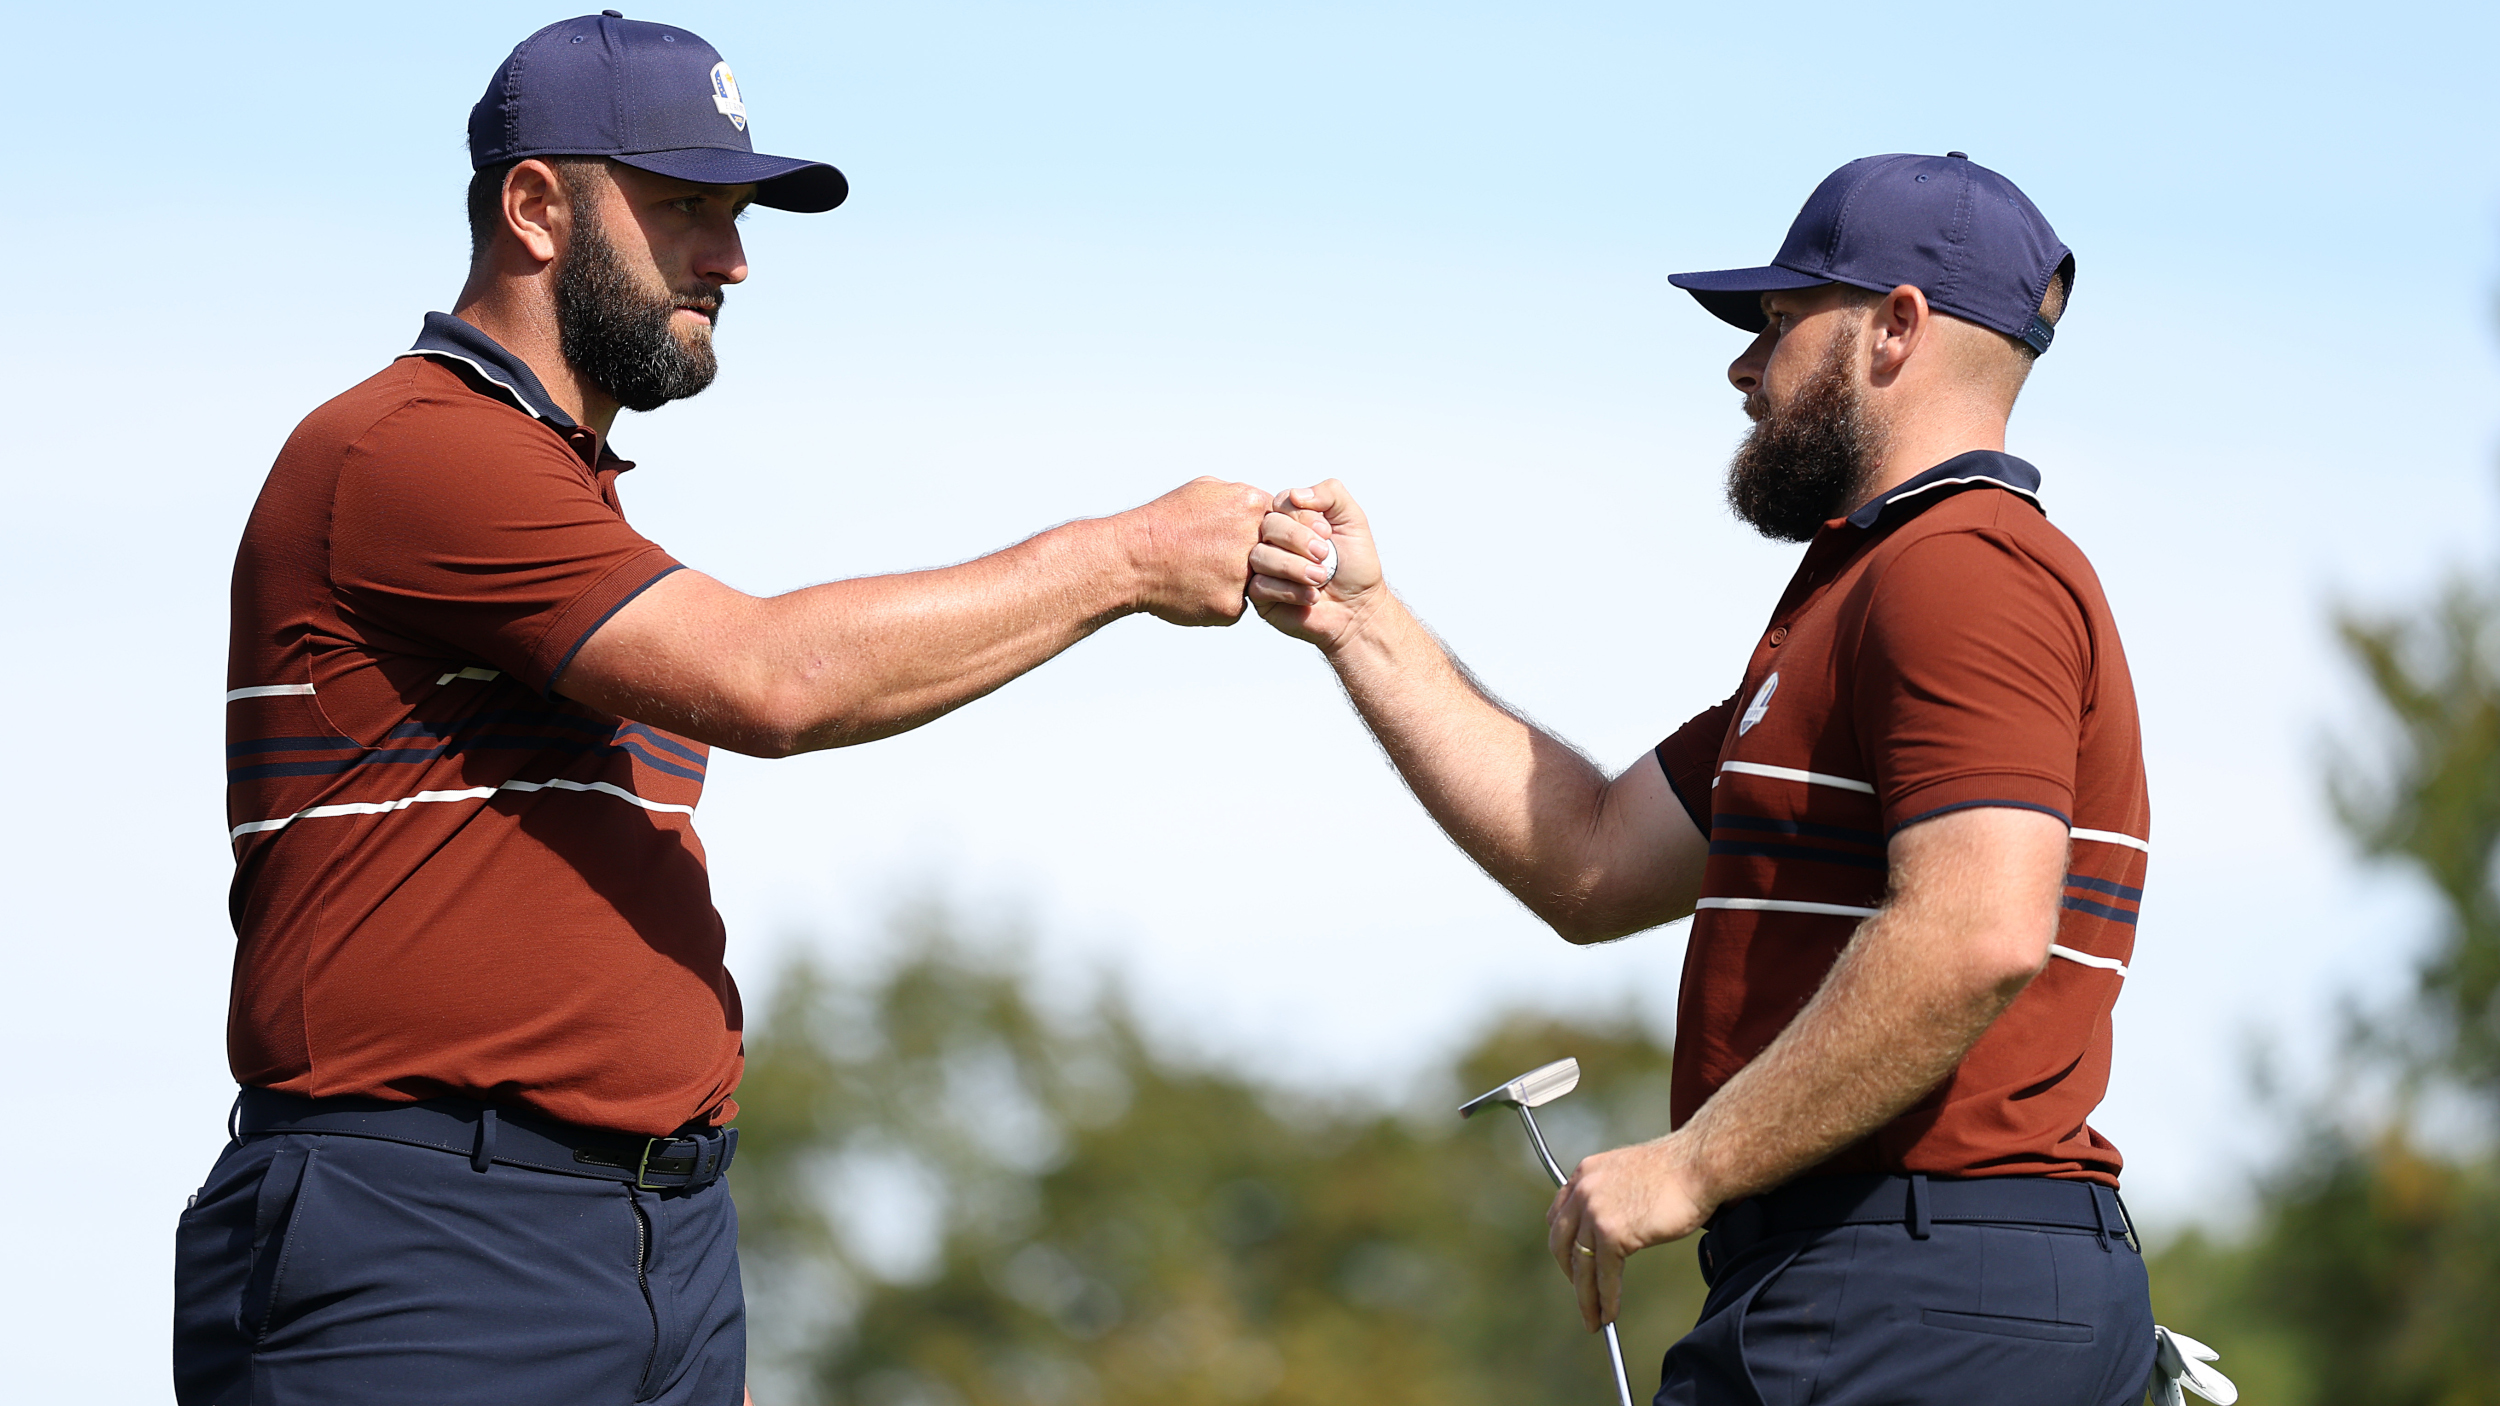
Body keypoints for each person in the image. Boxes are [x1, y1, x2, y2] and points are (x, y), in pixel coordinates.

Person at [175, 14, 1269, 1404]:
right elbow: (775, 678)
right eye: (687, 207)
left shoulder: (564, 494)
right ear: (534, 207)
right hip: (427, 1232)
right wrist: (1123, 557)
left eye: (738, 213)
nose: (733, 258)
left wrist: (670, 1278)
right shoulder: (413, 449)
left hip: (652, 1238)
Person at [1250, 153, 2161, 1403]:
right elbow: (1589, 855)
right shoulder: (1864, 595)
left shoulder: (1961, 571)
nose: (1743, 367)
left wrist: (1692, 1162)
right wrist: (1361, 621)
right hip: (1916, 1278)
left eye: (1781, 324)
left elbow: (1977, 927)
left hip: (1911, 1282)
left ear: (1895, 327)